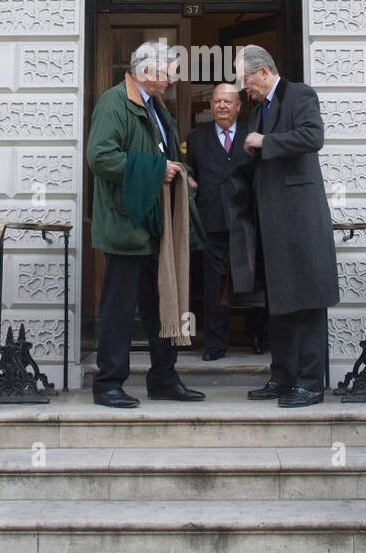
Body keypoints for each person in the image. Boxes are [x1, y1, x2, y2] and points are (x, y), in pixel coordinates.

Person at [86, 41, 206, 408]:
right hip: (127, 225)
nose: (172, 79)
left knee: (163, 305)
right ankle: (108, 383)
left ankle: (164, 378)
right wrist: (159, 170)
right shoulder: (114, 103)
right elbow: (101, 157)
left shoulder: (157, 107)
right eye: (169, 71)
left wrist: (179, 171)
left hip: (157, 223)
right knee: (119, 309)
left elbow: (164, 155)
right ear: (147, 72)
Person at [227, 45, 339, 407]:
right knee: (280, 303)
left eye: (246, 79)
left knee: (307, 301)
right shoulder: (259, 109)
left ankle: (310, 384)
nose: (245, 88)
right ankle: (282, 377)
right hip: (271, 223)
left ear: (263, 71)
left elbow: (313, 136)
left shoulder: (300, 94)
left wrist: (265, 141)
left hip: (301, 220)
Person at [186, 83, 265, 360]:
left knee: (251, 282)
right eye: (217, 101)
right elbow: (190, 174)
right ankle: (216, 344)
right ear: (211, 106)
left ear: (238, 106)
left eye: (227, 102)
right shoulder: (196, 139)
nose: (221, 106)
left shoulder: (252, 135)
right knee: (214, 286)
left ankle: (258, 336)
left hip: (247, 220)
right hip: (213, 221)